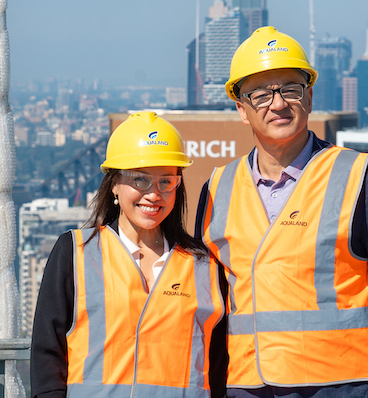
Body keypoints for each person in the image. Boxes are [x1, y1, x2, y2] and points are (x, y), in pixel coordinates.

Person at [195, 27, 368, 398]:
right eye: (260, 95)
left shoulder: (363, 179)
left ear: (309, 95)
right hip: (247, 387)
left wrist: (348, 349)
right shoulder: (216, 189)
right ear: (241, 109)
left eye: (290, 89)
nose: (278, 104)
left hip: (343, 386)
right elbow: (209, 296)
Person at [31, 111, 228, 398]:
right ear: (114, 184)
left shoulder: (204, 265)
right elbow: (47, 355)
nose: (153, 194)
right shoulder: (77, 253)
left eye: (166, 181)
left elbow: (219, 362)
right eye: (140, 180)